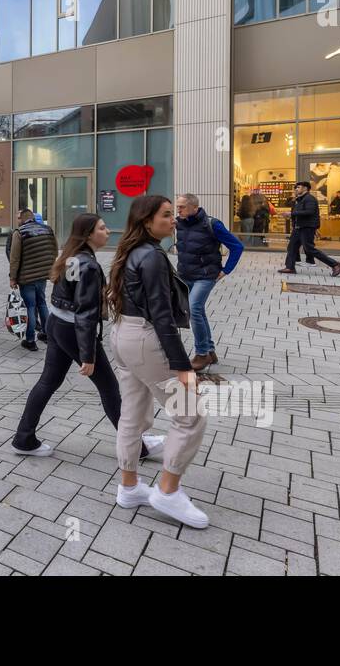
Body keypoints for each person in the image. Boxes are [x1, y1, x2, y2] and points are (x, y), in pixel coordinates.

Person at [12, 212, 148, 458]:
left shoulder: (70, 256)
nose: (107, 231)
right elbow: (85, 313)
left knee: (48, 381)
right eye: (102, 228)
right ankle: (136, 446)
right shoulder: (88, 264)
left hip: (57, 324)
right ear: (88, 235)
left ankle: (24, 438)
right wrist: (88, 355)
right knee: (109, 387)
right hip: (73, 330)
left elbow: (72, 299)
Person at [108, 195, 208, 527]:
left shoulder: (132, 252)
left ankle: (130, 487)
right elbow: (162, 315)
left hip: (123, 334)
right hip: (145, 339)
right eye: (166, 215)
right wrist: (182, 366)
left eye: (173, 214)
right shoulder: (150, 256)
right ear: (146, 221)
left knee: (132, 415)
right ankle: (167, 491)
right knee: (190, 415)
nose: (173, 220)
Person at [174, 193, 242, 372]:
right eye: (177, 206)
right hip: (185, 274)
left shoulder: (212, 224)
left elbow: (237, 246)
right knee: (198, 310)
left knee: (194, 308)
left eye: (182, 207)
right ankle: (210, 351)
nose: (178, 210)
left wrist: (226, 270)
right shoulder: (178, 223)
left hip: (206, 276)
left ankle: (201, 354)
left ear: (194, 208)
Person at [8, 207, 58, 351]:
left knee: (30, 306)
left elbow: (15, 258)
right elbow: (54, 250)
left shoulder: (19, 233)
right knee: (42, 303)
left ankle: (30, 340)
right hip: (43, 275)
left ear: (23, 218)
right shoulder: (47, 229)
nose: (17, 221)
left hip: (27, 277)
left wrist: (13, 278)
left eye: (18, 218)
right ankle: (48, 335)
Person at [279, 182, 340, 276]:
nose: (296, 189)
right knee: (292, 247)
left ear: (305, 188)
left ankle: (336, 265)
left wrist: (291, 214)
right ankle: (290, 267)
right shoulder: (299, 199)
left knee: (309, 249)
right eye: (295, 187)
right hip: (298, 227)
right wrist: (291, 216)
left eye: (298, 187)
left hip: (306, 228)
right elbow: (299, 212)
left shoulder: (310, 199)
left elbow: (309, 212)